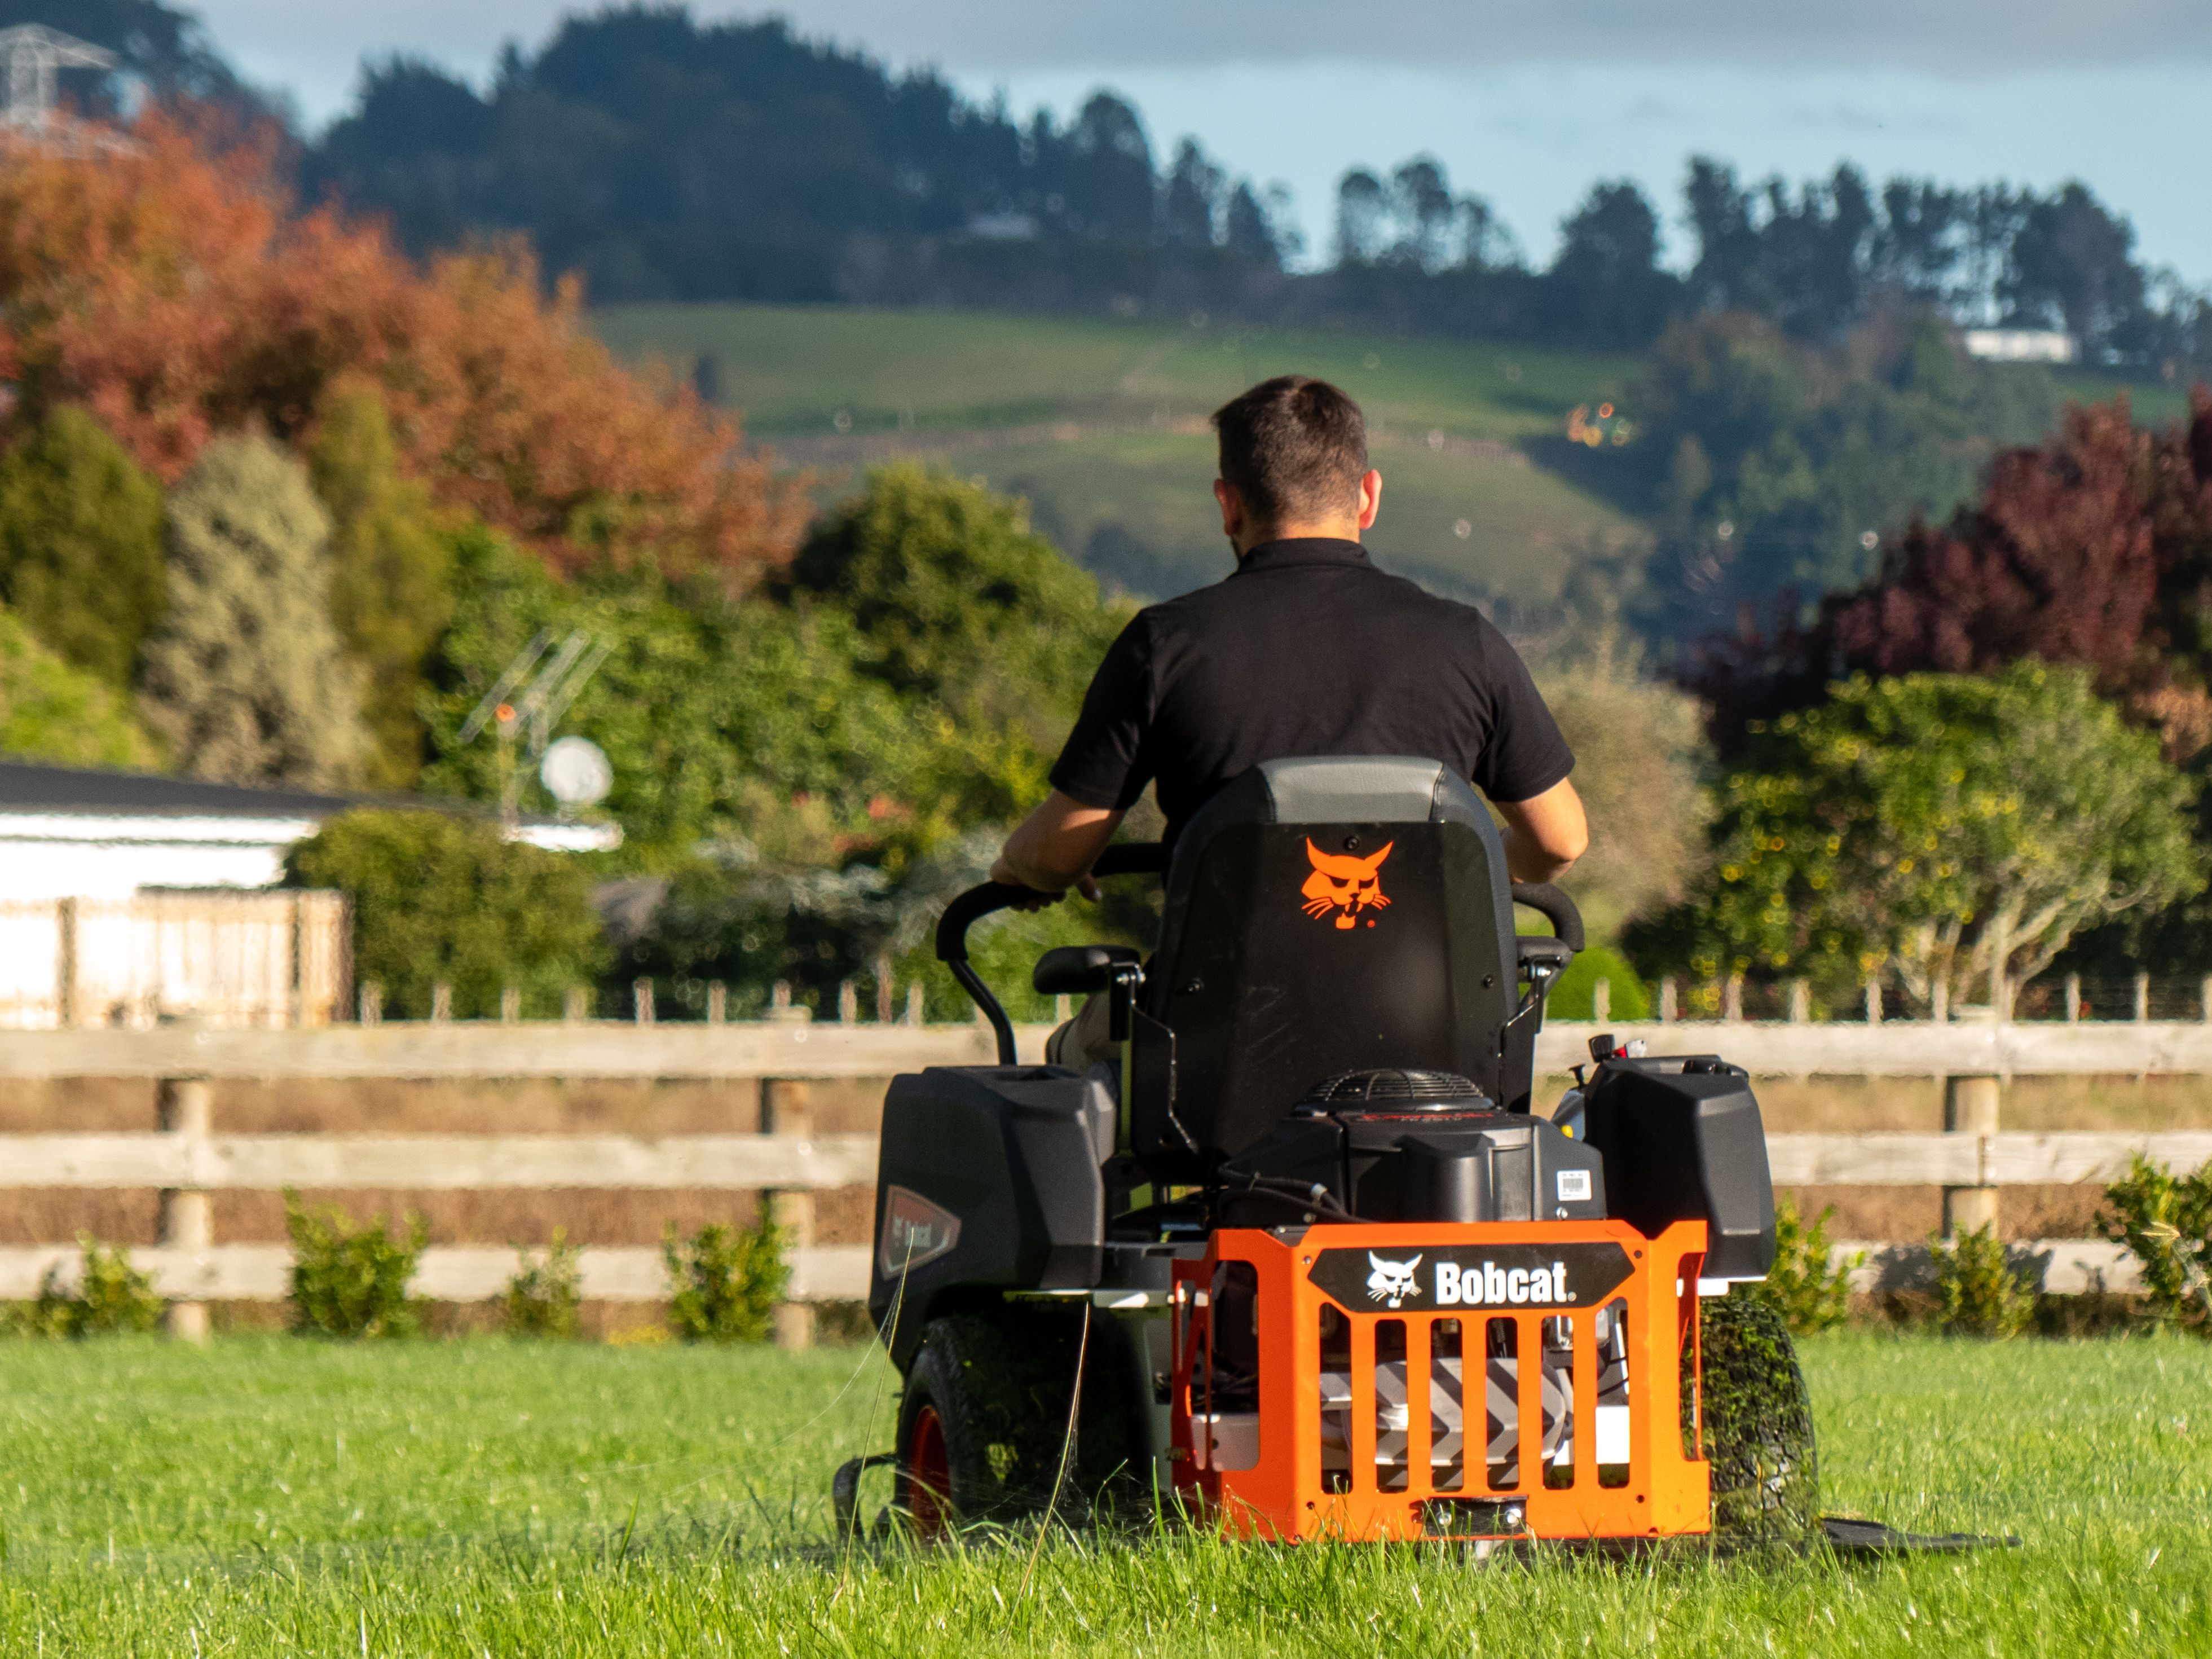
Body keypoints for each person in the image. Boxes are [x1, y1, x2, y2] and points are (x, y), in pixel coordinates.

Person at [990, 374, 1588, 1065]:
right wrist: (1441, 874)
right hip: (1433, 1054)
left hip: (1218, 1059)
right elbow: (1561, 840)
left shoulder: (1166, 645)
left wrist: (1020, 867)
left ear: (1228, 502)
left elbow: (1057, 852)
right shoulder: (1466, 643)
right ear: (1367, 497)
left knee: (1071, 1055)